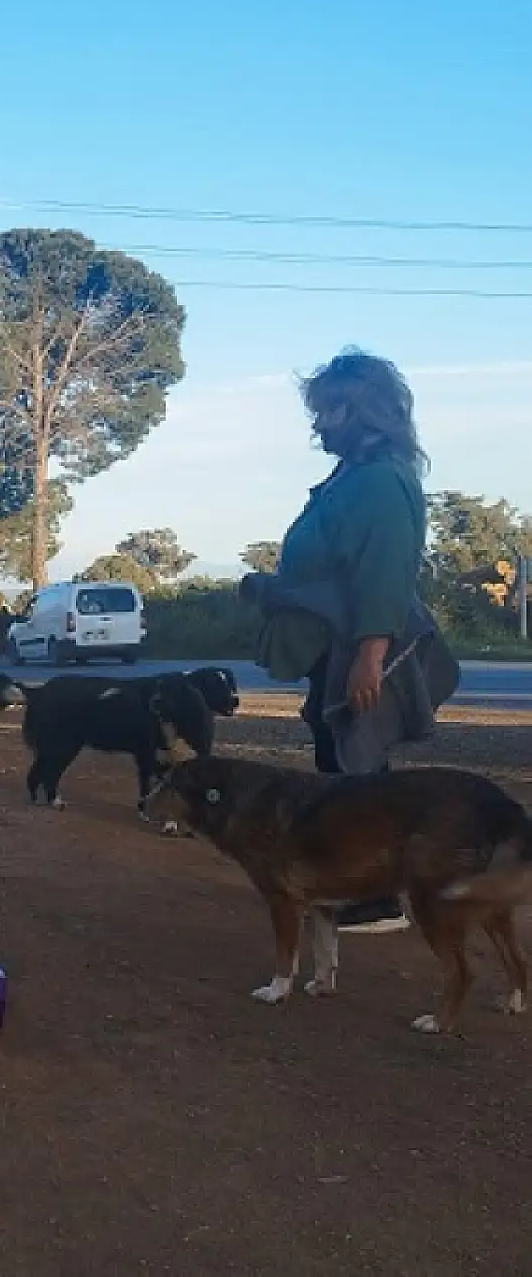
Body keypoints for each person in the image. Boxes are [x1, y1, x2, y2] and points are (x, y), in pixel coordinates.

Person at [239, 347, 458, 935]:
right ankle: (351, 885)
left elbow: (384, 573)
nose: (318, 423)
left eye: (328, 411)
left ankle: (375, 898)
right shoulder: (352, 477)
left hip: (354, 647)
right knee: (340, 759)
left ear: (359, 412)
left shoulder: (382, 482)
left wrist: (371, 655)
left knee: (358, 762)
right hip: (331, 645)